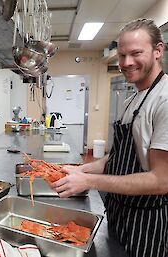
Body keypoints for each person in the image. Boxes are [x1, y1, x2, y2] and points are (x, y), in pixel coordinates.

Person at [51, 19, 168, 257]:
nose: (126, 63)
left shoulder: (164, 99)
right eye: (122, 55)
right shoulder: (132, 99)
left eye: (136, 53)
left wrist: (90, 182)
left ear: (158, 51)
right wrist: (79, 170)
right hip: (118, 210)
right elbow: (115, 159)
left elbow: (161, 180)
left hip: (147, 221)